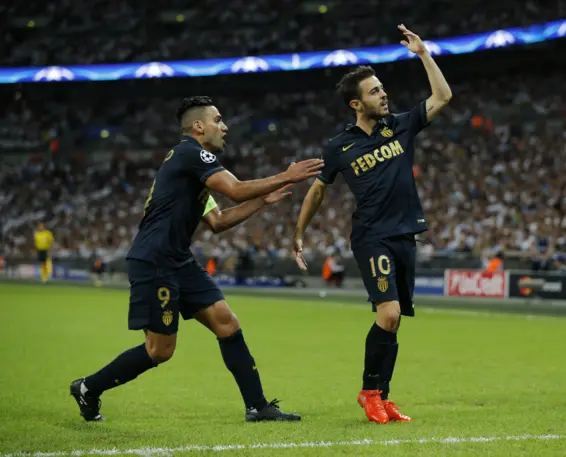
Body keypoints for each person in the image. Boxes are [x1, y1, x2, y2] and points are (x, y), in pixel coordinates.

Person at [70, 96, 324, 423]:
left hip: (178, 260)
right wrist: (286, 176)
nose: (225, 127)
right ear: (199, 126)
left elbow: (217, 222)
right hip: (156, 260)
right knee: (159, 351)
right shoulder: (192, 153)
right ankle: (88, 388)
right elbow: (234, 189)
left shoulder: (188, 169)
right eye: (218, 120)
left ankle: (258, 407)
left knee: (227, 324)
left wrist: (262, 200)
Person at [292, 25, 452, 424]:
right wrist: (298, 233)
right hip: (371, 237)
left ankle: (383, 396)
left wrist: (423, 54)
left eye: (382, 88)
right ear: (356, 105)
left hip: (405, 234)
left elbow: (443, 96)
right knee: (389, 312)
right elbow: (317, 191)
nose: (384, 94)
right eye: (375, 91)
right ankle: (368, 392)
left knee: (394, 321)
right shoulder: (339, 147)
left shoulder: (399, 125)